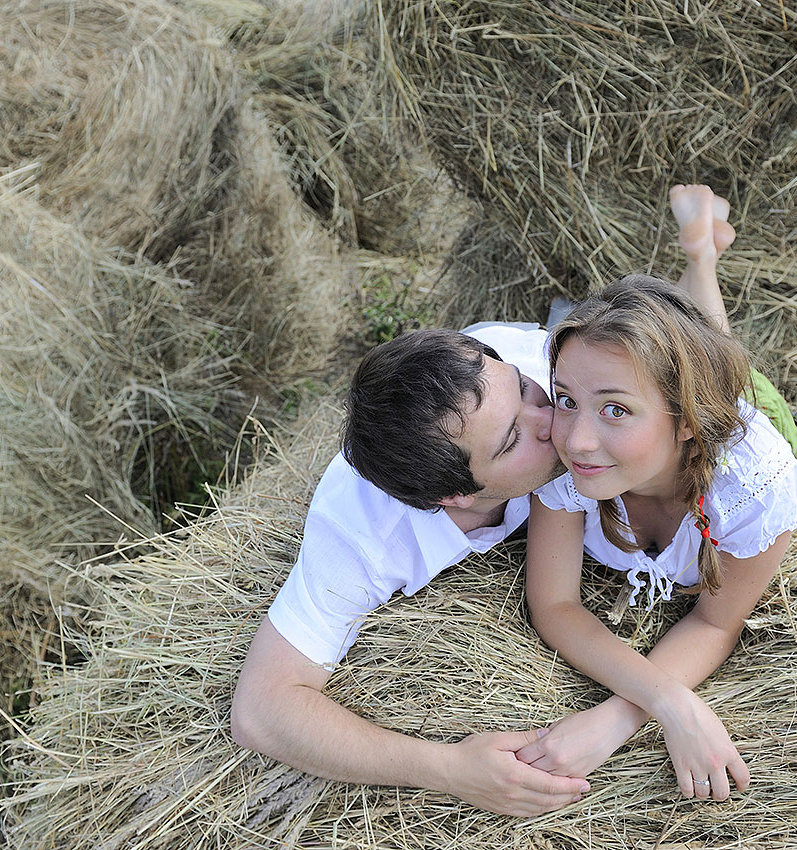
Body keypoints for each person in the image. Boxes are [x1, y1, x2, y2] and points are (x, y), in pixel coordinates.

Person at [231, 186, 745, 816]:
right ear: (457, 495)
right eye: (513, 438)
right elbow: (262, 711)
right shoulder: (364, 533)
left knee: (719, 395)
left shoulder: (542, 372)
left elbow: (701, 386)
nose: (556, 423)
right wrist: (445, 769)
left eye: (529, 392)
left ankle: (700, 261)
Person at [514, 258, 797, 800]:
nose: (577, 439)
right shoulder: (563, 455)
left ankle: (701, 254)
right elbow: (554, 605)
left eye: (616, 411)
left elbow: (715, 624)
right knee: (699, 349)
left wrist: (613, 721)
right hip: (689, 400)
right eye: (567, 399)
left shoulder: (754, 484)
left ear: (687, 421)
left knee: (728, 360)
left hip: (739, 414)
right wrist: (669, 702)